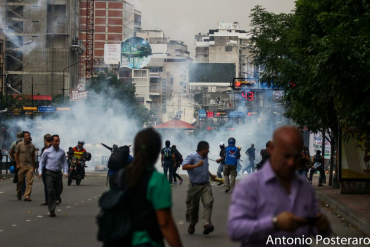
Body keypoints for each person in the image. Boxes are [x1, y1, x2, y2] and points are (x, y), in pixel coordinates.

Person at [227, 126, 331, 246]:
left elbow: (319, 231)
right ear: (272, 149)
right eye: (286, 155)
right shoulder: (249, 186)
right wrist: (274, 223)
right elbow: (235, 230)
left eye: (296, 157)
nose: (291, 163)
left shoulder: (305, 188)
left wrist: (322, 227)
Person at [116, 128, 183, 247]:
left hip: (121, 240)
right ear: (157, 152)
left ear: (134, 149)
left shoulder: (122, 175)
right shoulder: (157, 180)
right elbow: (165, 223)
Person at [182, 141, 217, 235]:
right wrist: (196, 165)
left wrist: (211, 175)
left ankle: (206, 224)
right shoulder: (192, 156)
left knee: (209, 202)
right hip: (194, 186)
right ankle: (192, 224)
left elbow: (205, 168)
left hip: (206, 184)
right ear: (203, 149)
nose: (209, 151)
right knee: (193, 207)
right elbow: (184, 167)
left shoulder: (205, 157)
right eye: (207, 149)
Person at [38, 135, 68, 217]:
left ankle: (54, 199)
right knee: (50, 191)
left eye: (58, 141)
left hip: (58, 173)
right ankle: (52, 210)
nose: (57, 143)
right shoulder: (46, 152)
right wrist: (40, 172)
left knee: (59, 189)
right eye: (56, 141)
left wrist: (65, 172)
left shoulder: (62, 152)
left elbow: (65, 163)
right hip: (49, 173)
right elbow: (42, 162)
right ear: (51, 142)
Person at [14, 131, 36, 201]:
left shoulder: (32, 146)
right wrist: (17, 164)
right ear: (24, 137)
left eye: (29, 135)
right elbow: (16, 155)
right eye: (26, 136)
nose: (28, 137)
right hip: (21, 166)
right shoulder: (19, 145)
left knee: (29, 182)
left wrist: (33, 166)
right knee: (20, 181)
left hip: (29, 166)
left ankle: (27, 195)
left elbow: (33, 156)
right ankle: (18, 192)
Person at [40, 134, 61, 206]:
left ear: (45, 140)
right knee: (47, 185)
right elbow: (42, 160)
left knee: (53, 186)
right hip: (46, 169)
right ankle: (47, 199)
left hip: (51, 169)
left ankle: (56, 199)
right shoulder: (44, 149)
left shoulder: (51, 148)